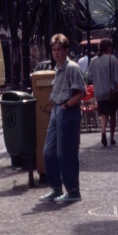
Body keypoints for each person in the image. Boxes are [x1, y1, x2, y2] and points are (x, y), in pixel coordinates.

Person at [41, 33, 88, 203]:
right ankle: (55, 187)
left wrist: (67, 105)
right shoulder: (58, 68)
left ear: (66, 50)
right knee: (49, 152)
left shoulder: (71, 68)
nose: (56, 53)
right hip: (57, 110)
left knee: (65, 153)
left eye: (59, 49)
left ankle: (73, 190)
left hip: (67, 110)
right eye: (54, 50)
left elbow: (82, 92)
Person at [86, 38, 118, 146]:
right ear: (109, 47)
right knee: (112, 114)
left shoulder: (93, 61)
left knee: (102, 113)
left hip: (99, 92)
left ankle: (103, 132)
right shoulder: (113, 58)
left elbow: (89, 76)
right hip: (111, 92)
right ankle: (111, 137)